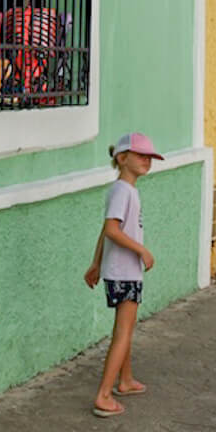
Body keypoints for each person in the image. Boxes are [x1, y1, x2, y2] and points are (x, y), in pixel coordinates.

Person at [84, 132, 163, 417]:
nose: (147, 161)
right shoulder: (122, 191)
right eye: (141, 156)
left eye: (150, 157)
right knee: (124, 332)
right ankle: (104, 394)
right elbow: (112, 230)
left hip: (121, 271)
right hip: (125, 272)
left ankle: (125, 380)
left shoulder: (126, 190)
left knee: (125, 329)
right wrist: (141, 250)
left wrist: (96, 263)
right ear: (122, 158)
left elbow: (106, 229)